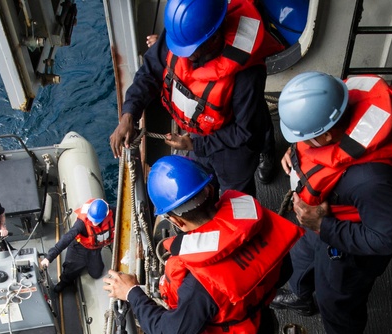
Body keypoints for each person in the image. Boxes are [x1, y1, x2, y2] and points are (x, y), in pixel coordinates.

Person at [102, 155, 302, 334]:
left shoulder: (200, 282)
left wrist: (132, 293)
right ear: (210, 190)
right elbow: (284, 270)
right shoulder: (253, 218)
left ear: (175, 220)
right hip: (261, 326)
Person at [270, 72, 392, 334]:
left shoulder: (371, 180)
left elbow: (387, 238)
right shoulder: (336, 101)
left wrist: (324, 227)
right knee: (298, 261)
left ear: (326, 135)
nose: (301, 143)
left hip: (346, 248)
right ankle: (301, 298)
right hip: (317, 222)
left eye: (303, 137)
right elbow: (315, 149)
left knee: (336, 300)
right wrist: (296, 152)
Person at [108, 0, 283, 195]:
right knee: (201, 182)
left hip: (234, 147)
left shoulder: (247, 74)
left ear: (214, 38)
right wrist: (129, 114)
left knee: (237, 198)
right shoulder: (181, 35)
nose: (181, 55)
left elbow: (246, 131)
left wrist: (195, 145)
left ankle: (266, 151)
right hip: (198, 129)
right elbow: (150, 71)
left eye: (189, 51)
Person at [39, 198, 114, 294]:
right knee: (69, 271)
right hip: (79, 248)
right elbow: (66, 238)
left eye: (97, 221)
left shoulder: (113, 213)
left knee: (96, 273)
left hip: (95, 250)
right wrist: (49, 257)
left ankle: (88, 263)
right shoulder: (81, 223)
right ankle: (64, 282)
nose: (94, 223)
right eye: (92, 220)